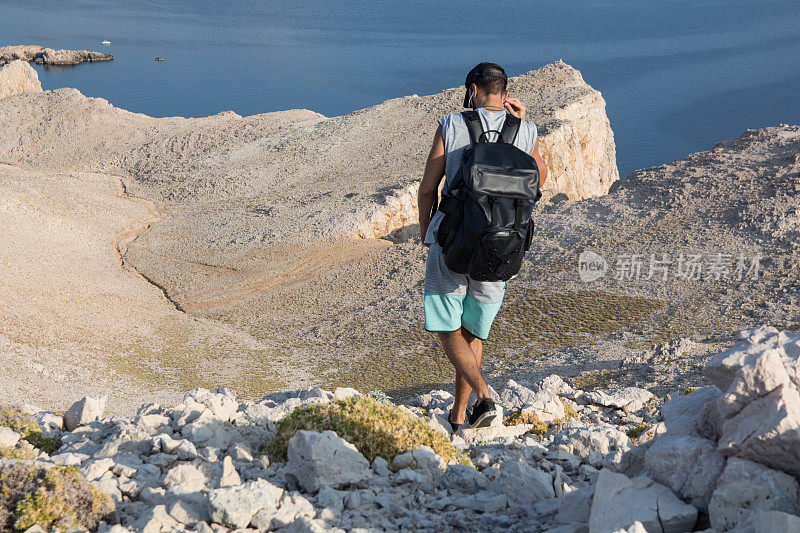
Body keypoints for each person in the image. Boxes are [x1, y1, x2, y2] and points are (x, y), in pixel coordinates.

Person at [417, 62, 548, 430]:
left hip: (454, 238)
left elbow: (429, 187)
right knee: (474, 331)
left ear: (473, 90)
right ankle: (460, 416)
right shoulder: (526, 129)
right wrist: (524, 125)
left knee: (447, 325)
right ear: (505, 95)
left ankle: (484, 394)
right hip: (503, 243)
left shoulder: (452, 124)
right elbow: (540, 180)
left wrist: (428, 231)